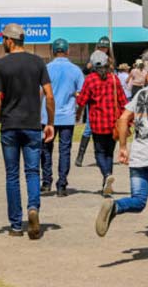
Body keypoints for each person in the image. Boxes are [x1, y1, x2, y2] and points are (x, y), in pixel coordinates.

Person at [95, 44, 148, 258]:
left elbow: (123, 119)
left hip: (138, 155)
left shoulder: (142, 92)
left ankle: (115, 206)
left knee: (138, 200)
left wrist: (123, 147)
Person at [0, 24, 55, 239]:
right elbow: (49, 95)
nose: (1, 43)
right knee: (33, 172)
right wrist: (50, 123)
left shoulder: (1, 65)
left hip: (10, 127)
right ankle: (33, 208)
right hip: (32, 126)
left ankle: (16, 225)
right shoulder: (38, 63)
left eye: (3, 39)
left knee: (12, 176)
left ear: (9, 40)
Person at [77, 50, 127, 196]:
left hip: (97, 123)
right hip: (113, 123)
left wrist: (77, 102)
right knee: (109, 153)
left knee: (99, 153)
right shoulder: (114, 79)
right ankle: (107, 182)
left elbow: (82, 101)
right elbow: (123, 100)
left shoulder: (90, 80)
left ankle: (106, 176)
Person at [42, 38, 85, 196]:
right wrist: (79, 111)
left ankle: (46, 182)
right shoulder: (76, 70)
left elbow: (40, 93)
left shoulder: (45, 68)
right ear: (67, 51)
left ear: (53, 52)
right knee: (64, 150)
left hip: (46, 116)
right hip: (67, 116)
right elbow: (81, 94)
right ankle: (62, 184)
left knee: (46, 148)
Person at [75, 36, 112, 166]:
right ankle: (81, 156)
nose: (103, 49)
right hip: (94, 96)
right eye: (101, 47)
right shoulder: (94, 58)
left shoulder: (109, 63)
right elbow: (85, 69)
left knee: (105, 127)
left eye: (105, 47)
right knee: (89, 128)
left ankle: (103, 156)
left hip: (105, 97)